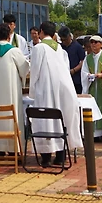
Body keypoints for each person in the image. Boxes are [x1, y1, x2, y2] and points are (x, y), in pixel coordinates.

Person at [29, 21, 84, 166]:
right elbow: (66, 67)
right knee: (61, 120)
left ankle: (46, 157)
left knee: (46, 122)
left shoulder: (39, 48)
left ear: (41, 32)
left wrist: (32, 91)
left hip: (45, 90)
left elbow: (34, 71)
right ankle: (61, 156)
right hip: (63, 89)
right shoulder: (59, 48)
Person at [0, 22, 30, 154]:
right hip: (11, 93)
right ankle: (14, 149)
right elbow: (24, 69)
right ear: (9, 36)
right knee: (12, 116)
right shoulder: (14, 51)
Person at [59, 26, 87, 92]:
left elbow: (83, 61)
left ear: (69, 36)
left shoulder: (78, 47)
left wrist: (74, 70)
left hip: (76, 79)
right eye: (62, 40)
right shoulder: (60, 47)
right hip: (63, 78)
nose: (64, 42)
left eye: (65, 40)